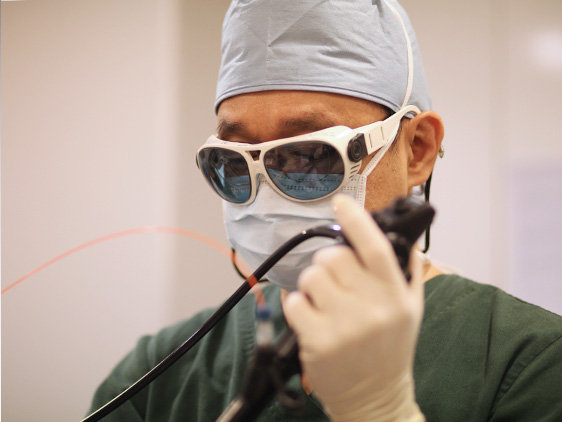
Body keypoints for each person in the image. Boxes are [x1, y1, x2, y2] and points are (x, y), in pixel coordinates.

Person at [87, 1, 562, 421]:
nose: (267, 199)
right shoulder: (154, 375)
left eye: (309, 157)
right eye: (232, 163)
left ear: (417, 150)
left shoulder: (532, 364)